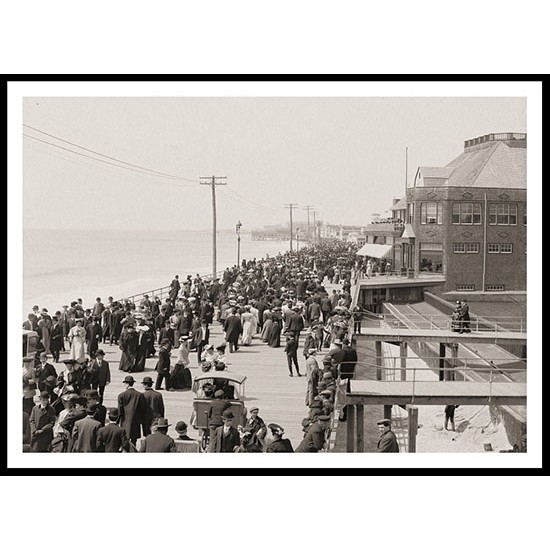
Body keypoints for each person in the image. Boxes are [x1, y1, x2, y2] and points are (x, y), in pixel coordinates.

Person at [117, 375, 147, 445]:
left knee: (124, 440)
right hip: (135, 420)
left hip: (125, 420)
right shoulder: (139, 395)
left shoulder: (121, 395)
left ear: (127, 384)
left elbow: (120, 410)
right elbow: (143, 408)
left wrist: (117, 421)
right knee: (134, 440)